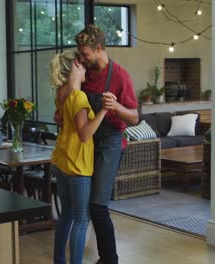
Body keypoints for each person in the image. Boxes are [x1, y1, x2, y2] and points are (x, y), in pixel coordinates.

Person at [55, 25, 139, 264]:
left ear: (99, 48)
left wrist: (116, 108)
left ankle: (109, 258)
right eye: (79, 54)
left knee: (97, 205)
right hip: (86, 141)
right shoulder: (85, 73)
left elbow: (134, 117)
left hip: (110, 142)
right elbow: (71, 103)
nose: (81, 59)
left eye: (85, 53)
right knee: (82, 208)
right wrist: (61, 114)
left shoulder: (120, 76)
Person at [49, 49, 115, 264]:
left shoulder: (61, 92)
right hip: (77, 165)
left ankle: (59, 261)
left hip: (61, 161)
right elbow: (85, 134)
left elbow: (59, 118)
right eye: (83, 64)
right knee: (80, 218)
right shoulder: (78, 96)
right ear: (76, 66)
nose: (87, 67)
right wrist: (104, 111)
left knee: (66, 215)